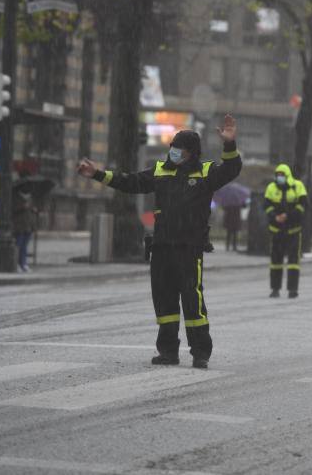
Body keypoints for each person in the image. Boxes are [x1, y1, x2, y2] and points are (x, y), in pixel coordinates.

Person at [77, 114, 241, 369]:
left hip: (189, 248)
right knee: (164, 301)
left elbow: (231, 169)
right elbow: (129, 182)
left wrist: (229, 144)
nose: (174, 152)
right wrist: (97, 174)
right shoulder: (160, 170)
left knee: (192, 300)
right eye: (173, 148)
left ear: (191, 152)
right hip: (162, 246)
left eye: (180, 149)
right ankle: (168, 351)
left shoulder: (205, 172)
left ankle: (200, 352)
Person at [264, 164, 308, 298]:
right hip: (276, 230)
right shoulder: (271, 188)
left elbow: (303, 205)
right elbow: (266, 206)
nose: (279, 177)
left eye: (282, 175)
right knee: (275, 261)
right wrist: (275, 217)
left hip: (293, 231)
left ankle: (292, 290)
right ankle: (275, 289)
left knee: (293, 262)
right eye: (278, 175)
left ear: (287, 176)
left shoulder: (298, 186)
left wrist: (288, 216)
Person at [12, 189, 38, 272]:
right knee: (18, 245)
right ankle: (16, 264)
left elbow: (34, 210)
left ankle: (23, 263)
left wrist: (34, 209)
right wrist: (22, 207)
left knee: (24, 246)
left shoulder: (31, 197)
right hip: (19, 225)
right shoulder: (16, 196)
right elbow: (13, 209)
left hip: (28, 225)